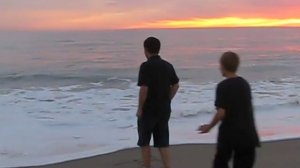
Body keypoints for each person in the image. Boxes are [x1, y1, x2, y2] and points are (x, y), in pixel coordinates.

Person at [198, 51, 260, 168]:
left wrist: (209, 126)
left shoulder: (223, 86)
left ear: (222, 66)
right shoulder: (244, 84)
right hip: (248, 134)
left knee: (219, 164)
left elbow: (221, 112)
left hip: (230, 135)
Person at [137, 37, 179, 168]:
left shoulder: (145, 66)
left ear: (146, 49)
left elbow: (144, 89)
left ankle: (147, 166)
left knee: (144, 142)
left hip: (149, 109)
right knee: (163, 142)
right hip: (163, 109)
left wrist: (140, 108)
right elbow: (176, 85)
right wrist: (168, 99)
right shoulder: (167, 65)